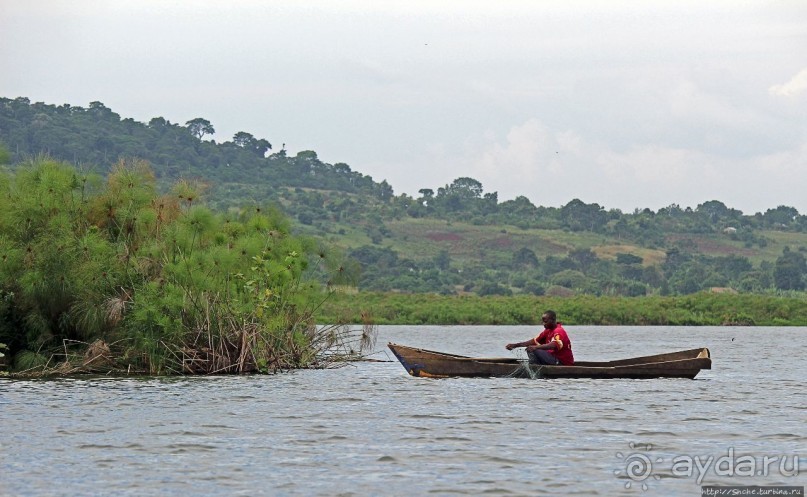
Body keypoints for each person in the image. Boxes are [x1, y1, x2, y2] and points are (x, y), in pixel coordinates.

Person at [505, 310, 574, 365]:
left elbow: (554, 345)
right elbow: (533, 341)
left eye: (546, 322)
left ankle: (536, 367)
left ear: (553, 320)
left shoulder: (559, 331)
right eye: (543, 322)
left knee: (534, 349)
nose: (543, 324)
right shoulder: (547, 331)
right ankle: (535, 367)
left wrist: (536, 347)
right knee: (530, 348)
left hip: (562, 362)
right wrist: (515, 345)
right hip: (552, 358)